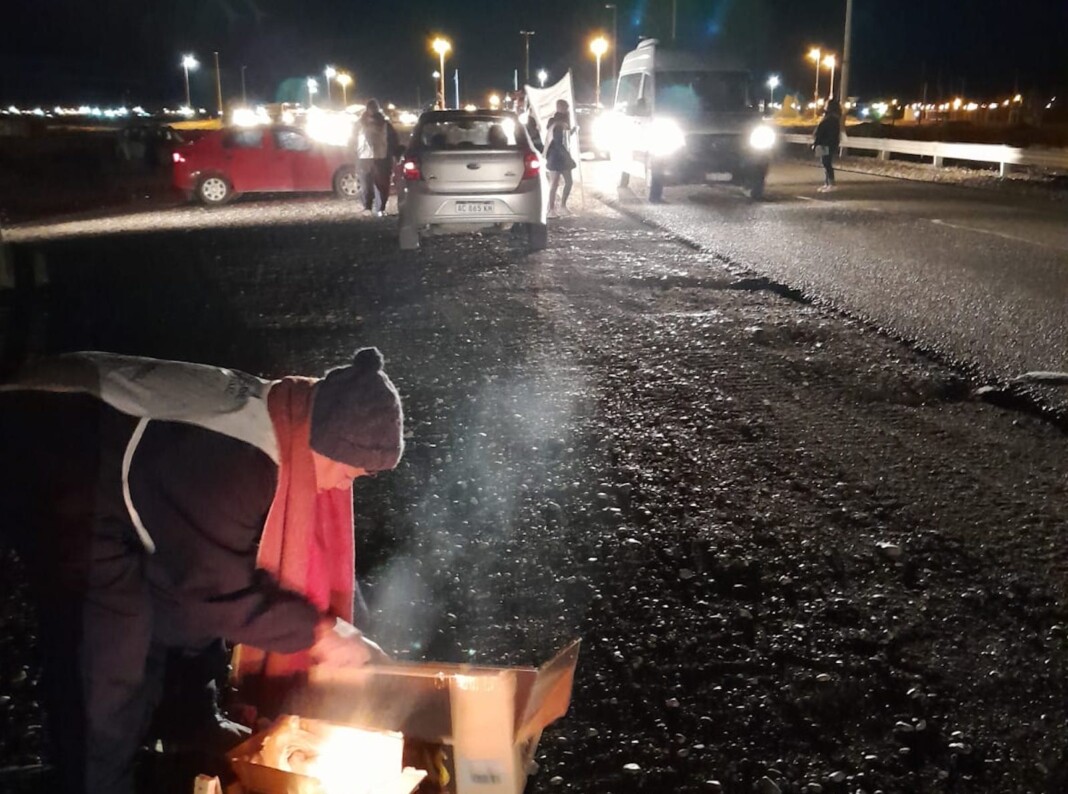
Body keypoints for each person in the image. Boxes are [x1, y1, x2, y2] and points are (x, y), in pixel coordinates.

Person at [0, 347, 404, 794]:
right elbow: (213, 597)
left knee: (181, 587)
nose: (341, 488)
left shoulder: (289, 415)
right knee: (114, 637)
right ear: (327, 444)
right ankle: (98, 781)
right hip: (53, 438)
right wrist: (320, 632)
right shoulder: (240, 464)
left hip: (112, 448)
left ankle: (187, 721)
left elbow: (202, 584)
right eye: (349, 474)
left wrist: (329, 630)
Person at [355, 100, 400, 216]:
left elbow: (393, 141)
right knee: (372, 185)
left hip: (373, 159)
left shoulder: (360, 124)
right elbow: (394, 141)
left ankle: (373, 208)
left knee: (374, 185)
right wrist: (396, 153)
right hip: (377, 158)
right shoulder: (384, 124)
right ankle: (373, 208)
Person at [545, 99, 577, 217]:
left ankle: (555, 208)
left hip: (556, 156)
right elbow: (559, 141)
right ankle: (555, 208)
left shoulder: (558, 121)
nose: (567, 110)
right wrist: (567, 157)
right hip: (559, 156)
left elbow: (564, 138)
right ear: (561, 108)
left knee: (558, 183)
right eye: (566, 108)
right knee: (560, 183)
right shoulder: (558, 122)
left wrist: (572, 131)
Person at [812, 99, 842, 192]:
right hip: (823, 143)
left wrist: (818, 142)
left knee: (827, 163)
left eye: (826, 104)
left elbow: (829, 133)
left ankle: (832, 184)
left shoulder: (832, 119)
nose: (825, 106)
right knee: (824, 163)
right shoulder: (829, 117)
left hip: (827, 143)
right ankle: (827, 183)